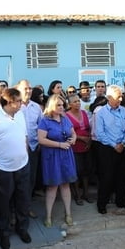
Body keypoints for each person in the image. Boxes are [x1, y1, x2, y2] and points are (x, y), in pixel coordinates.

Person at [0, 88, 31, 249]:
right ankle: (4, 232)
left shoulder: (21, 114)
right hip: (2, 168)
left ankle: (22, 228)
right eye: (18, 101)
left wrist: (24, 153)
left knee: (23, 200)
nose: (21, 104)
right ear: (9, 102)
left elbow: (24, 136)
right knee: (3, 203)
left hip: (22, 165)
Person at [38, 94, 77, 227]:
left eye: (62, 105)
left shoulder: (65, 118)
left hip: (66, 154)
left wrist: (74, 139)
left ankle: (68, 214)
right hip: (52, 156)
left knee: (66, 185)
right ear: (52, 106)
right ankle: (48, 216)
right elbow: (41, 139)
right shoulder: (45, 121)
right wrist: (59, 145)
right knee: (52, 186)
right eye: (58, 105)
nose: (61, 107)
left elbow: (73, 132)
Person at [95, 85, 125, 214]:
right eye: (118, 97)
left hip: (121, 147)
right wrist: (114, 145)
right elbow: (100, 133)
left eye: (121, 97)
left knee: (121, 176)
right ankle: (102, 203)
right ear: (109, 97)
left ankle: (121, 201)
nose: (120, 100)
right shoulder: (101, 113)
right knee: (106, 177)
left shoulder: (123, 111)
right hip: (107, 148)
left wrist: (122, 143)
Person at [16, 79, 43, 218]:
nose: (28, 91)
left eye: (30, 88)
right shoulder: (14, 106)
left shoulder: (37, 107)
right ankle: (16, 210)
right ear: (18, 90)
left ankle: (26, 208)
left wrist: (39, 143)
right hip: (17, 150)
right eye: (25, 88)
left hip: (33, 148)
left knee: (30, 180)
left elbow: (41, 126)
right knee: (17, 182)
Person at [66, 93, 93, 204]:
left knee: (86, 170)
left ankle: (86, 194)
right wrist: (82, 138)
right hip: (74, 146)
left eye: (78, 101)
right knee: (77, 170)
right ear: (69, 104)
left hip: (86, 147)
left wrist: (89, 140)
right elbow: (67, 132)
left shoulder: (84, 113)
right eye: (75, 101)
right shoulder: (66, 115)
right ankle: (77, 195)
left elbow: (89, 128)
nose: (78, 103)